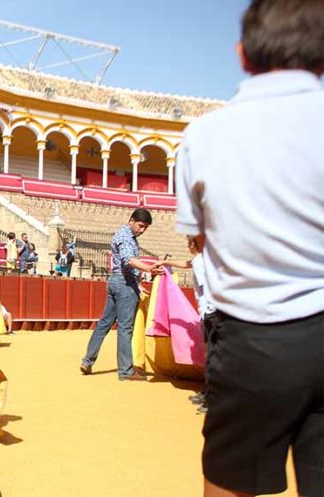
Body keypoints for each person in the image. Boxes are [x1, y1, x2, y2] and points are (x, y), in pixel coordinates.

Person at [175, 2, 324, 496]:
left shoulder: (203, 134)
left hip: (254, 339)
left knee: (230, 483)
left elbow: (198, 239)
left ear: (242, 55)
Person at [80, 208, 159, 381]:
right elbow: (127, 260)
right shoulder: (126, 237)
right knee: (125, 328)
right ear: (131, 221)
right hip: (124, 284)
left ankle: (87, 361)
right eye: (140, 225)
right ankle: (125, 371)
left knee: (104, 323)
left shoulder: (123, 234)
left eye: (145, 227)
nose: (142, 230)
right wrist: (148, 268)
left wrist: (138, 285)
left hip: (116, 281)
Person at [154, 238, 216, 414]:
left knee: (211, 356)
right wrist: (166, 261)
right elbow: (186, 263)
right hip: (211, 313)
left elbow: (208, 287)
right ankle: (207, 393)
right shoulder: (203, 259)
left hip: (210, 312)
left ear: (192, 245)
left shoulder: (200, 261)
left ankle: (211, 398)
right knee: (210, 355)